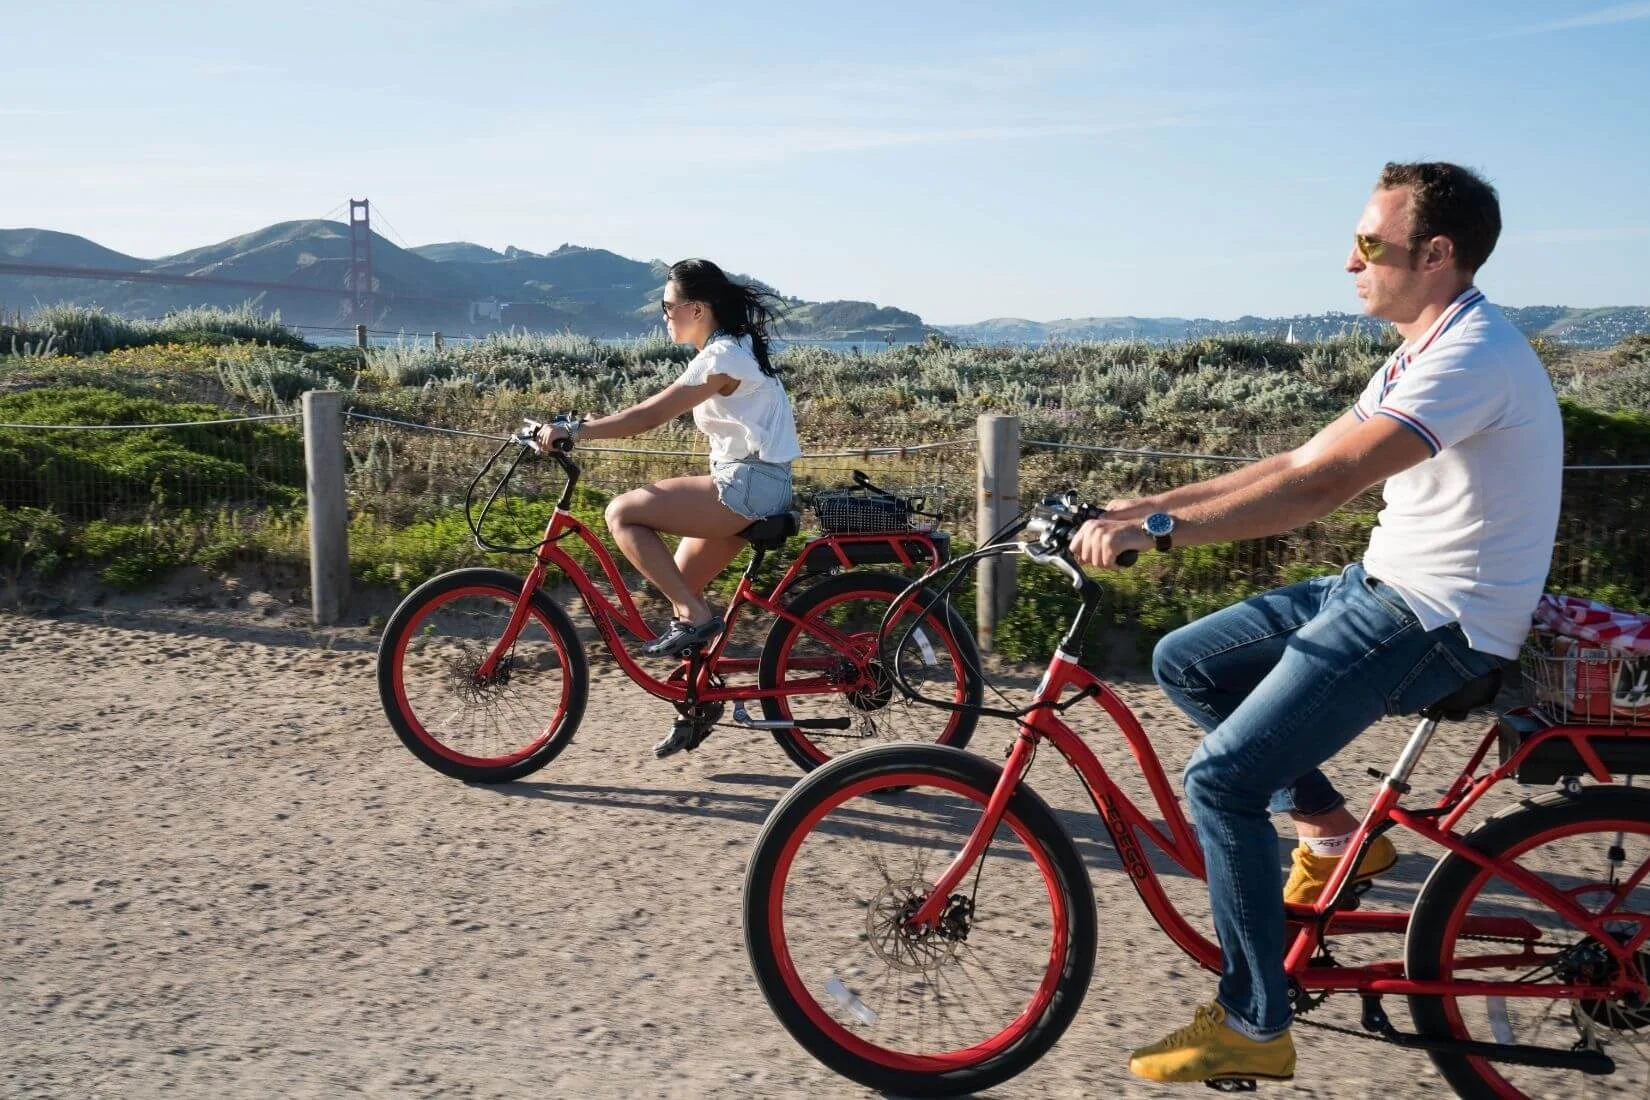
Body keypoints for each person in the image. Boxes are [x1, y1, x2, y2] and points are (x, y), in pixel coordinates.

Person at [1069, 162, 1563, 1086]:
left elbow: (1323, 488)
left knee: (1218, 785)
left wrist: (1160, 533)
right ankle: (1337, 834)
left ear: (1439, 252)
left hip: (1435, 619)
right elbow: (1299, 454)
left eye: (1370, 243)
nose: (1350, 261)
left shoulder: (1473, 356)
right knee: (1189, 661)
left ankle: (1255, 1023)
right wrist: (1145, 502)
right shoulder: (1427, 341)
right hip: (1383, 585)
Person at [537, 258, 802, 668]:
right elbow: (647, 410)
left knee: (621, 513)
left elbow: (648, 416)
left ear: (696, 309)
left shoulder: (721, 357)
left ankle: (696, 619)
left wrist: (575, 432)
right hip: (757, 485)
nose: (663, 316)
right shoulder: (735, 347)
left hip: (747, 486)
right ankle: (694, 707)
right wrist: (579, 425)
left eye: (667, 307)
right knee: (682, 589)